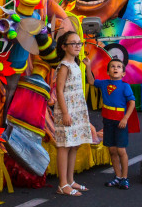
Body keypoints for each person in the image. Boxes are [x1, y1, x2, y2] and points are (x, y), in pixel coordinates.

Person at [52, 31, 93, 196]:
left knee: (74, 144)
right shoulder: (64, 66)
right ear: (64, 47)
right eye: (73, 43)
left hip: (77, 109)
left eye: (79, 43)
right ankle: (62, 184)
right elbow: (59, 91)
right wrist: (65, 113)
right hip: (67, 109)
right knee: (64, 145)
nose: (77, 46)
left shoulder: (76, 64)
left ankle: (70, 180)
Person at [88, 58, 135, 190]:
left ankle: (125, 178)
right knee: (112, 150)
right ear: (108, 71)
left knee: (121, 150)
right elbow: (91, 81)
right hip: (108, 121)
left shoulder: (125, 86)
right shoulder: (103, 83)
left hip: (120, 121)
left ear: (123, 73)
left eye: (119, 67)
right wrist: (88, 66)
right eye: (113, 66)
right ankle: (118, 177)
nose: (115, 68)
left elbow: (132, 102)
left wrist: (125, 118)